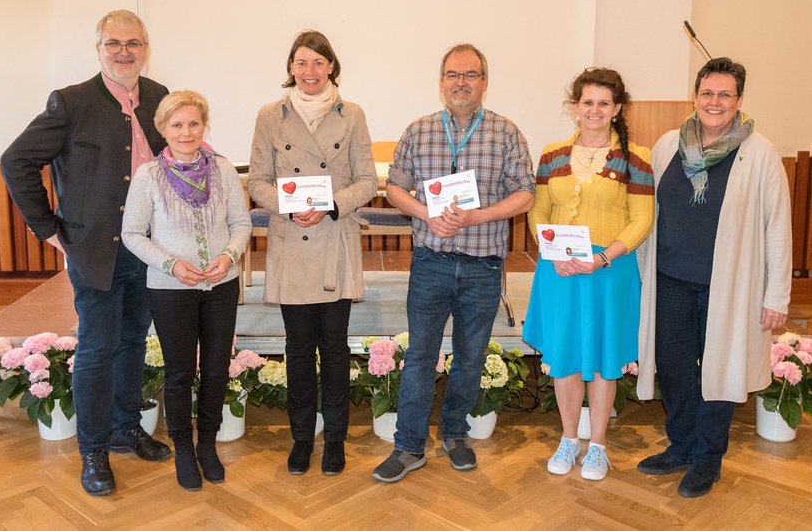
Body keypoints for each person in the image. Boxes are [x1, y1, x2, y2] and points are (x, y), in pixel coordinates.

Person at [1, 10, 172, 496]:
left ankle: (124, 427)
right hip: (95, 250)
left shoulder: (158, 96)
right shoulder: (71, 102)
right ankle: (93, 449)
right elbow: (16, 160)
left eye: (133, 43)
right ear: (98, 49)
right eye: (114, 43)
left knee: (133, 340)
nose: (124, 52)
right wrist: (48, 229)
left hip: (148, 249)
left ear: (146, 48)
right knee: (97, 349)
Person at [373, 44, 535, 483]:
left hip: (483, 265)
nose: (461, 82)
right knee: (420, 355)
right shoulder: (418, 131)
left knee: (470, 356)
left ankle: (455, 433)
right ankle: (409, 446)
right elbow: (394, 189)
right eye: (452, 75)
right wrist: (426, 213)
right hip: (431, 261)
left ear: (484, 82)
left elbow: (525, 193)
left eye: (470, 75)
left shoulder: (506, 133)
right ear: (441, 82)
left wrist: (478, 216)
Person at [636, 57, 791, 497]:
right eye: (707, 92)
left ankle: (707, 458)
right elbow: (649, 212)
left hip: (730, 286)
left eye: (725, 94)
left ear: (739, 100)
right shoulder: (668, 145)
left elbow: (777, 226)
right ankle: (681, 446)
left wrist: (776, 295)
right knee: (674, 368)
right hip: (670, 279)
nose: (715, 101)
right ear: (695, 97)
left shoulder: (759, 152)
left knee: (721, 369)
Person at [248, 30, 377, 476]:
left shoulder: (352, 114)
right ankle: (302, 439)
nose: (310, 71)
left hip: (334, 237)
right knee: (299, 349)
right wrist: (289, 205)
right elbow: (256, 182)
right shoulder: (270, 116)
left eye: (318, 63)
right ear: (291, 67)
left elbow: (368, 181)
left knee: (335, 349)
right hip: (292, 241)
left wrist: (330, 206)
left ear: (331, 67)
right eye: (302, 62)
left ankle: (335, 440)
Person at [522, 68, 654, 481]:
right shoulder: (552, 154)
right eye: (587, 102)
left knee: (601, 360)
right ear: (575, 106)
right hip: (558, 270)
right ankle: (568, 438)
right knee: (563, 359)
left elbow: (642, 220)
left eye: (603, 103)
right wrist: (551, 253)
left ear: (616, 109)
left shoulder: (637, 158)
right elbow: (537, 211)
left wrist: (603, 258)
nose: (594, 109)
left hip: (608, 273)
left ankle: (597, 445)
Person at [121, 91, 251, 491]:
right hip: (170, 288)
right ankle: (182, 448)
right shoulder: (148, 176)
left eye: (194, 123)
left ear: (204, 126)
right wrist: (172, 265)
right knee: (179, 373)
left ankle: (207, 444)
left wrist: (229, 257)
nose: (186, 132)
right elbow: (132, 234)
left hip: (221, 285)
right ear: (163, 129)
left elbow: (241, 224)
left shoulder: (223, 169)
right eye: (176, 124)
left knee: (215, 370)